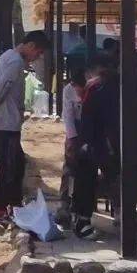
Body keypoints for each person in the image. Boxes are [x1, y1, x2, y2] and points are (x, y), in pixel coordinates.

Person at [0, 30, 51, 225]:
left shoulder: (2, 58)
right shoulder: (15, 62)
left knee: (17, 164)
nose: (37, 57)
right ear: (31, 46)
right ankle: (1, 210)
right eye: (38, 52)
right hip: (6, 124)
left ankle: (14, 205)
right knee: (8, 168)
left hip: (5, 121)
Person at [67, 54, 120, 239]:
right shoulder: (134, 86)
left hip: (108, 152)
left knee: (84, 160)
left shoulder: (95, 91)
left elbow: (88, 126)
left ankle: (82, 219)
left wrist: (82, 144)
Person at [58, 68, 87, 226]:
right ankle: (65, 204)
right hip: (75, 127)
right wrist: (72, 139)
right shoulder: (68, 90)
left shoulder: (93, 90)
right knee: (69, 167)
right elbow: (68, 116)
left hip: (92, 127)